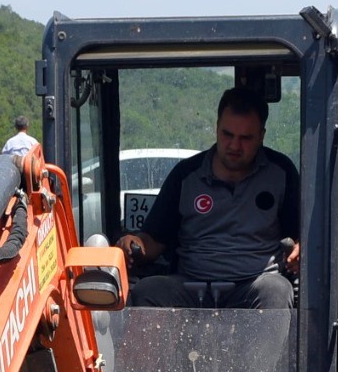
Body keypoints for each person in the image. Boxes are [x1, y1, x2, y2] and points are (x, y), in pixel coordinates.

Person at [123, 89, 299, 309]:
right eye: (227, 135)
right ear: (216, 128)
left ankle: (267, 346)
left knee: (277, 291)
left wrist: (300, 249)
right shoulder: (186, 175)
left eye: (245, 138)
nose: (235, 146)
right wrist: (133, 243)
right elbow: (154, 240)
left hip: (254, 284)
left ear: (262, 136)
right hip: (191, 285)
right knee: (147, 291)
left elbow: (300, 237)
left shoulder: (281, 173)